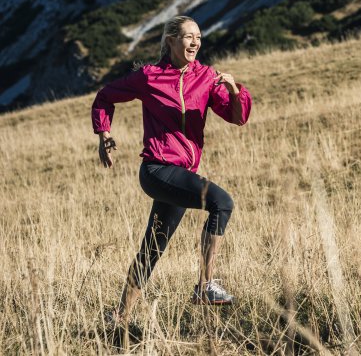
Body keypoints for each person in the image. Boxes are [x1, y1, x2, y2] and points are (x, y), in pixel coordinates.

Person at [91, 16, 252, 325]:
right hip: (156, 169)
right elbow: (105, 96)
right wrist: (104, 134)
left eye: (199, 38)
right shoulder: (149, 77)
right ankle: (205, 286)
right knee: (222, 202)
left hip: (181, 174)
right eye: (188, 37)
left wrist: (233, 89)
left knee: (152, 248)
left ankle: (119, 317)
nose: (195, 43)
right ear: (171, 41)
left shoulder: (206, 77)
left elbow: (238, 117)